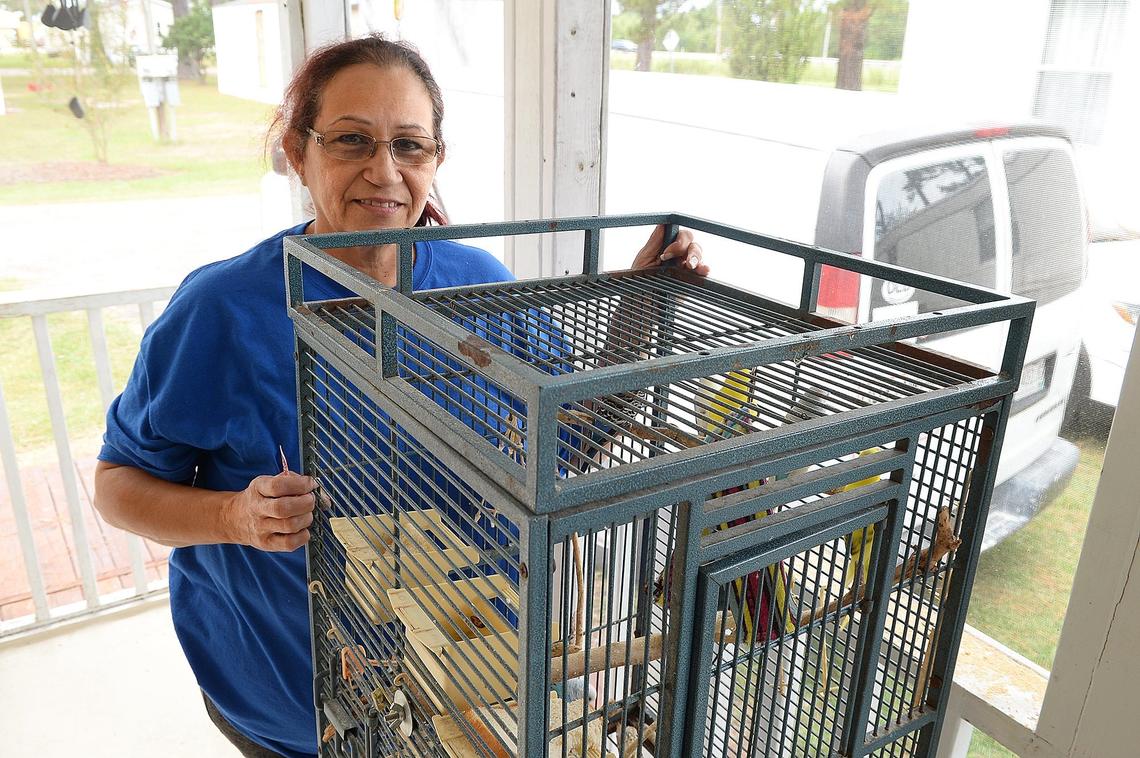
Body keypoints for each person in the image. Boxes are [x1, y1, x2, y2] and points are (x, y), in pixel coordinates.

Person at [93, 34, 707, 758]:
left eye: (410, 146)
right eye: (351, 141)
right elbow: (116, 487)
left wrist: (633, 324)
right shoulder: (222, 310)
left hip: (469, 667)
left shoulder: (480, 282)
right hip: (293, 695)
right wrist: (234, 514)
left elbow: (561, 441)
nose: (383, 172)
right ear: (298, 152)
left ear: (436, 159)